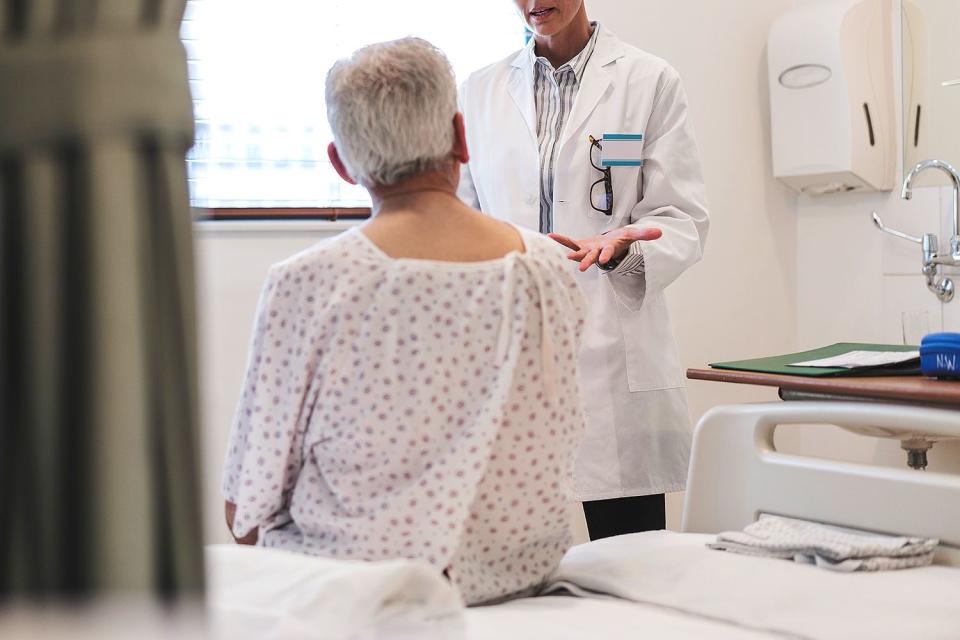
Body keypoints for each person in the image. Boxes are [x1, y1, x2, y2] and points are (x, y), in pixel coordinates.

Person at [221, 37, 587, 606]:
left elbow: (245, 509)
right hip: (516, 588)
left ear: (341, 164)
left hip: (353, 590)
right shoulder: (548, 269)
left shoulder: (310, 281)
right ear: (462, 140)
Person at [458, 1, 710, 539]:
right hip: (515, 347)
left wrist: (620, 247)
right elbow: (463, 216)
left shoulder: (649, 81)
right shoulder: (478, 92)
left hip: (611, 348)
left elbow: (683, 216)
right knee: (519, 564)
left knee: (632, 559)